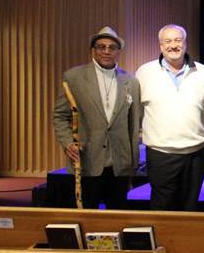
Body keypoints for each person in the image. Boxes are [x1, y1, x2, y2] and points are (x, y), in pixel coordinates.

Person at [51, 26, 141, 209]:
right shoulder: (74, 77)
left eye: (112, 47)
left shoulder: (130, 81)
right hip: (87, 159)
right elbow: (60, 115)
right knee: (88, 214)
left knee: (118, 215)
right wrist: (68, 142)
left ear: (118, 52)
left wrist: (132, 161)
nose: (106, 51)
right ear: (93, 49)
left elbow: (134, 123)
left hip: (119, 162)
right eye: (101, 47)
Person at [136, 24, 204, 211]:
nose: (173, 45)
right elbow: (135, 111)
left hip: (195, 154)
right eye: (167, 41)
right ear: (160, 46)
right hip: (161, 154)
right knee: (162, 207)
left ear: (185, 44)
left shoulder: (203, 72)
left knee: (190, 206)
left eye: (178, 40)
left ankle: (185, 241)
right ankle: (162, 241)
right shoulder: (144, 72)